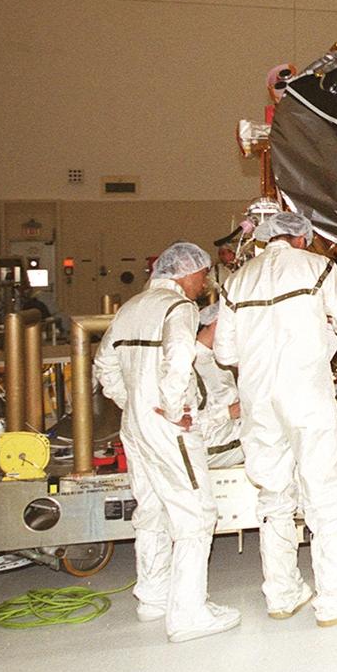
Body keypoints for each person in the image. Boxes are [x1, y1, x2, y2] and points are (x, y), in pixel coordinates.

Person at [213, 211, 337, 627]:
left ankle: (282, 592)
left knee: (273, 495)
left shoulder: (236, 282)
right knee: (323, 489)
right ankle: (335, 595)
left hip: (258, 401)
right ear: (302, 239)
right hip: (305, 394)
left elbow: (225, 355)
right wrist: (320, 340)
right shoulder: (317, 267)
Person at [94, 241, 240, 644]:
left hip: (135, 426)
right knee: (196, 514)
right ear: (184, 273)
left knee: (152, 509)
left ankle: (153, 596)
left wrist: (132, 402)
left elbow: (104, 364)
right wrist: (175, 408)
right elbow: (179, 355)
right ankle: (189, 613)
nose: (205, 281)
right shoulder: (178, 308)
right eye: (202, 273)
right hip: (167, 426)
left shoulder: (130, 309)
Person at [193, 302, 244, 468]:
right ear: (217, 325)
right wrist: (229, 412)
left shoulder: (215, 360)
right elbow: (181, 421)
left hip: (230, 436)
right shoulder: (189, 363)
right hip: (212, 448)